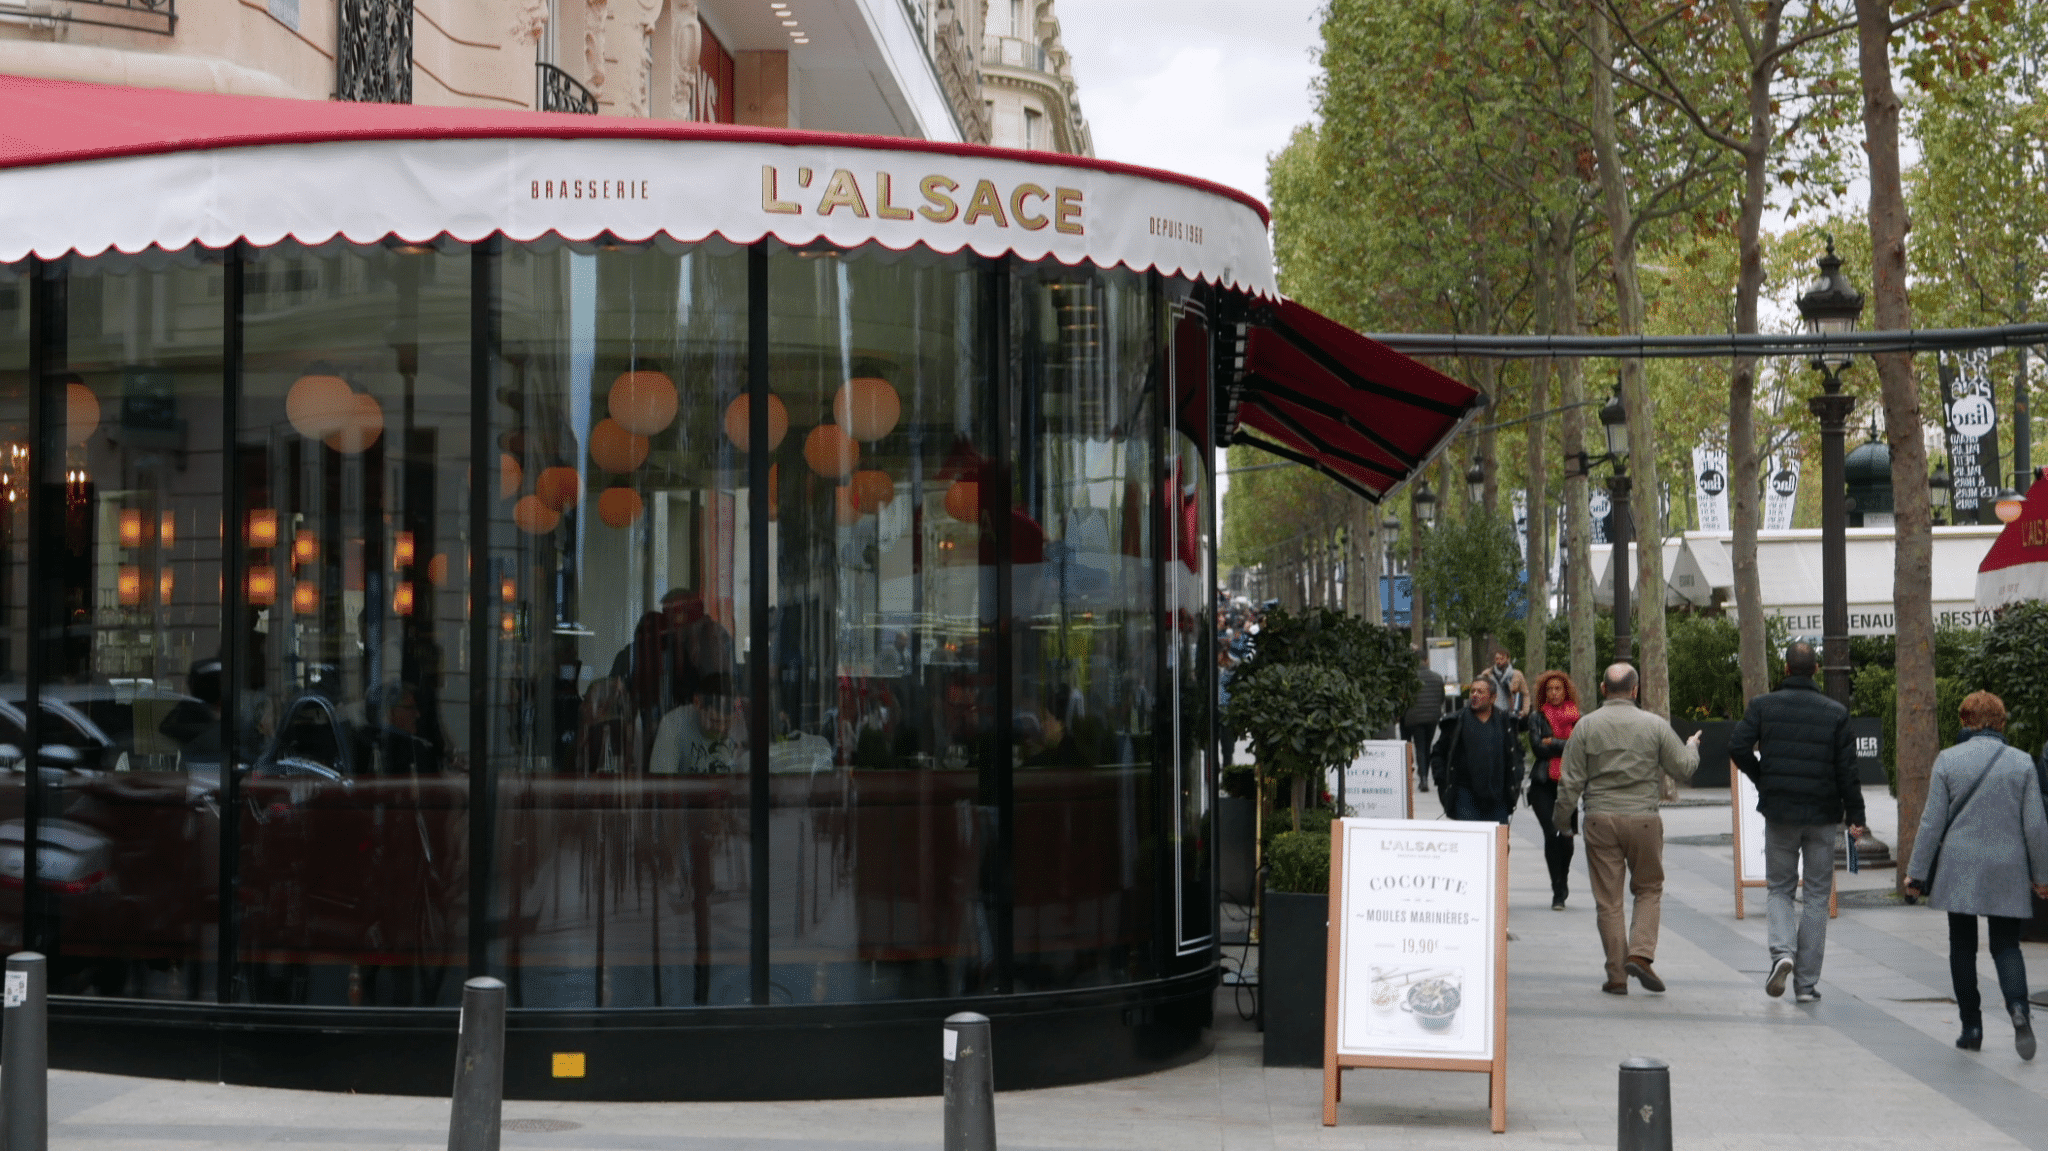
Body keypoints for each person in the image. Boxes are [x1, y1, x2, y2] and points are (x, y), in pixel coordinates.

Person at [1904, 691, 2048, 1058]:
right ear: (2001, 722)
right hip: (2007, 866)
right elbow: (2035, 826)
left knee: (1962, 945)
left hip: (1959, 865)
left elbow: (1932, 822)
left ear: (1965, 720)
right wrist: (2041, 876)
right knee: (2006, 944)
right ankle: (2018, 1008)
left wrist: (1916, 874)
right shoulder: (2021, 763)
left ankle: (1971, 1027)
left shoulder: (1949, 760)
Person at [1726, 641, 1867, 1003]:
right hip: (1822, 815)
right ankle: (1806, 984)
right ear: (1816, 669)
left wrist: (1763, 779)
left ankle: (1782, 953)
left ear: (1785, 669)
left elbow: (1738, 746)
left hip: (1781, 813)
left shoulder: (1763, 706)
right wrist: (1857, 815)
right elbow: (1847, 769)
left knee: (1779, 888)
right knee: (1819, 895)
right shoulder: (1835, 712)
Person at [1554, 663, 1700, 995]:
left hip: (1600, 819)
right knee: (1648, 889)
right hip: (1644, 818)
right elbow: (1684, 768)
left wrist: (1563, 822)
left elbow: (1569, 781)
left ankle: (1617, 975)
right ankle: (1641, 953)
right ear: (1635, 690)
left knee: (1608, 901)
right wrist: (1691, 745)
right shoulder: (1655, 725)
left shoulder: (1586, 726)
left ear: (1603, 689)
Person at [1430, 676, 1522, 824]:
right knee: (1470, 843)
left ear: (1493, 698)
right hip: (1465, 796)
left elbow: (1516, 754)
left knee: (1497, 844)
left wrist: (1517, 777)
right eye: (1473, 691)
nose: (1475, 695)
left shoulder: (1506, 722)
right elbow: (1438, 753)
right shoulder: (1456, 721)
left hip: (1498, 798)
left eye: (1480, 692)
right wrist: (1441, 779)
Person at [1525, 670, 1581, 911]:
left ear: (1565, 691)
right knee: (1551, 834)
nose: (1554, 693)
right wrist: (1560, 745)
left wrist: (1554, 743)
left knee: (1566, 840)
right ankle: (1557, 890)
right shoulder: (1537, 718)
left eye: (1558, 688)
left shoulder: (1578, 718)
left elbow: (1578, 748)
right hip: (1542, 785)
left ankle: (1564, 876)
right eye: (1549, 689)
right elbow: (1538, 749)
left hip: (1568, 785)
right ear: (1543, 693)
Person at [647, 675, 742, 774]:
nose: (721, 729)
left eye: (726, 723)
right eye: (714, 722)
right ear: (697, 704)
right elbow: (662, 780)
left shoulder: (743, 724)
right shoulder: (674, 722)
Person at [1403, 650, 1446, 793]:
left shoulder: (1409, 678)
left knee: (1420, 747)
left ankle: (1423, 779)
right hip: (1432, 717)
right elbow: (1441, 698)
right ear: (1426, 660)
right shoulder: (1437, 677)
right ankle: (1425, 777)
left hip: (1415, 717)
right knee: (1427, 746)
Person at [1485, 647, 1530, 730]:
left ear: (1508, 659)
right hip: (1492, 714)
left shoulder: (1517, 675)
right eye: (1497, 659)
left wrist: (1524, 711)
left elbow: (1525, 694)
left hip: (1510, 714)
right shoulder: (1487, 674)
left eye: (1502, 659)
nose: (1499, 661)